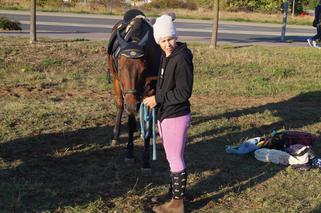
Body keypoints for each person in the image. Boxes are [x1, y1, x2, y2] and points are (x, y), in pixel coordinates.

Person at [143, 14, 194, 213]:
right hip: (168, 114)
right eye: (163, 41)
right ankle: (174, 195)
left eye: (170, 39)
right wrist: (157, 100)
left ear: (176, 36)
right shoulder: (167, 57)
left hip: (176, 115)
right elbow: (165, 86)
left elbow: (183, 92)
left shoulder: (180, 59)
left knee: (175, 159)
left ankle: (177, 204)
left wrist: (158, 99)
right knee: (174, 157)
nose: (168, 44)